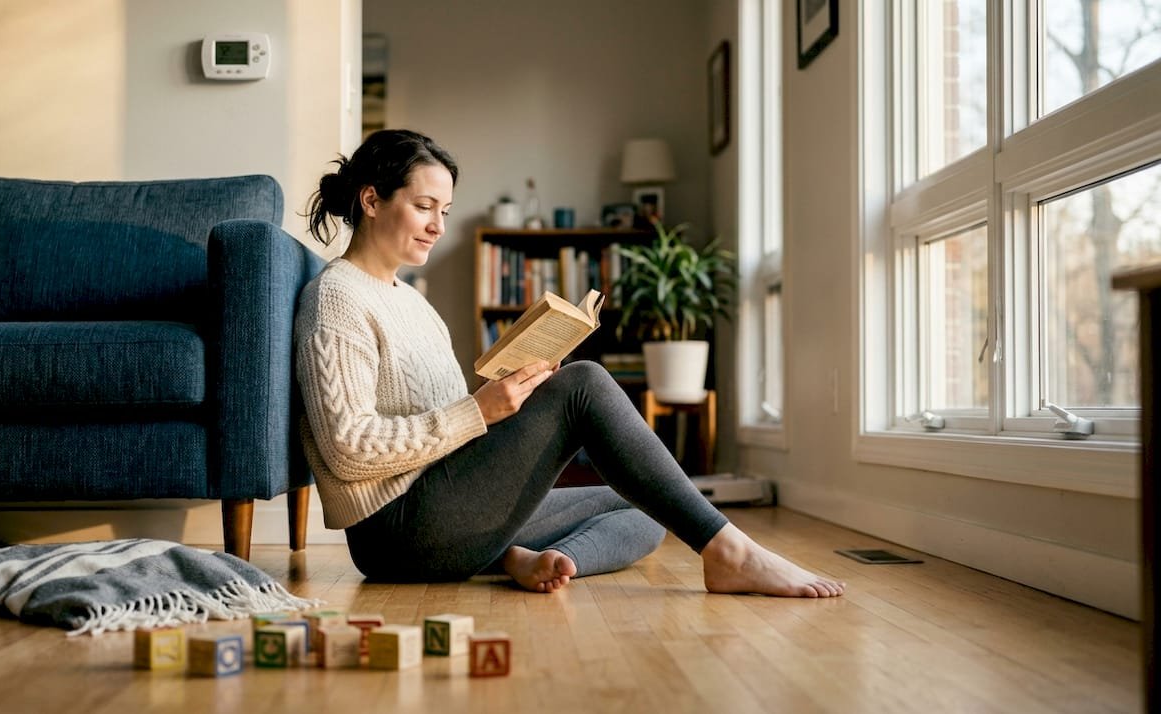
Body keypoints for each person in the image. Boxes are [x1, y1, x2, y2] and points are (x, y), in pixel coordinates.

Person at [295, 129, 844, 597]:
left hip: (442, 506)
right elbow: (348, 449)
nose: (438, 225)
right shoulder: (338, 298)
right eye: (423, 207)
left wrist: (509, 398)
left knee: (650, 505)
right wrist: (479, 412)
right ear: (371, 201)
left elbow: (446, 423)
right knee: (585, 384)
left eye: (445, 210)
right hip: (398, 531)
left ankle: (522, 558)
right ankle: (730, 551)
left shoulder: (411, 301)